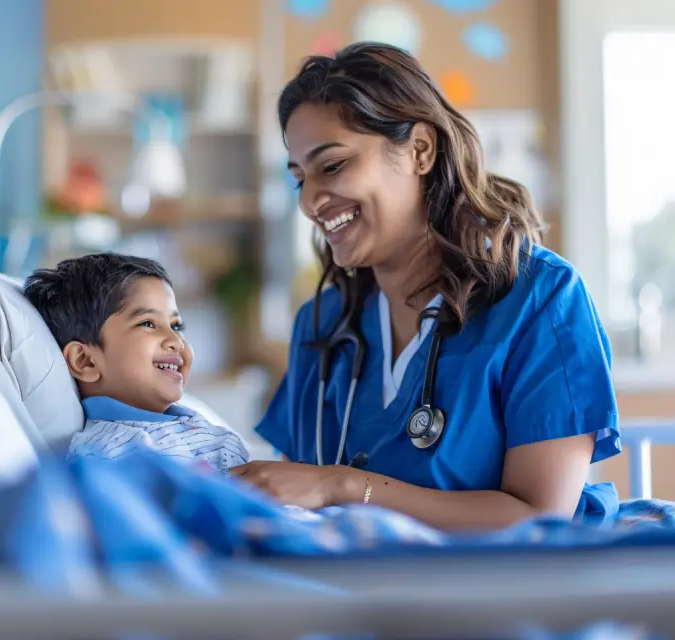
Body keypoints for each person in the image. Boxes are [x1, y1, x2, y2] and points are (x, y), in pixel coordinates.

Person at [231, 42, 621, 531]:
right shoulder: (323, 325)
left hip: (509, 597)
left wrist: (344, 485)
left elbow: (539, 519)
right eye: (299, 178)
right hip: (354, 599)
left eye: (331, 166)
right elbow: (296, 509)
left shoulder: (541, 300)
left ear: (420, 150)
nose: (310, 201)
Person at [24, 253, 249, 473]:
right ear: (86, 361)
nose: (176, 342)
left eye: (176, 326)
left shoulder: (195, 424)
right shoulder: (107, 455)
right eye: (148, 323)